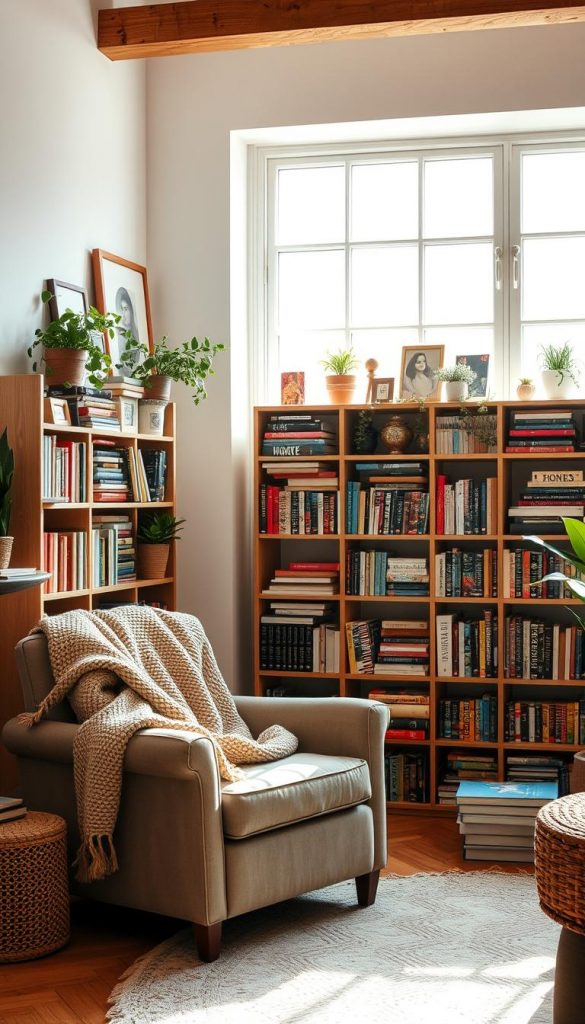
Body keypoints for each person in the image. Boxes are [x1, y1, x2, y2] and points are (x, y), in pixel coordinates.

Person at [115, 287, 140, 368]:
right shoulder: (120, 333)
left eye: (126, 309)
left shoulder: (135, 332)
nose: (123, 314)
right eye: (122, 309)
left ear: (132, 310)